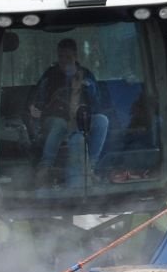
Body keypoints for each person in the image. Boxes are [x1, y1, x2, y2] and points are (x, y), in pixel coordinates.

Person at [28, 38, 110, 184]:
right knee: (60, 124)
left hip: (79, 120)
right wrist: (36, 109)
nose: (64, 60)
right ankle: (45, 167)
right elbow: (37, 100)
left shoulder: (86, 75)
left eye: (68, 57)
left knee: (102, 121)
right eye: (61, 57)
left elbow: (97, 104)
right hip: (53, 119)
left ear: (76, 56)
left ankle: (90, 168)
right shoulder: (50, 75)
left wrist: (85, 87)